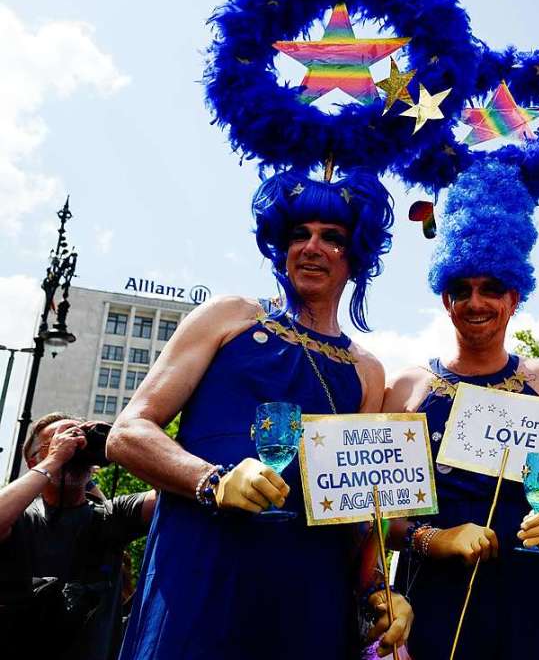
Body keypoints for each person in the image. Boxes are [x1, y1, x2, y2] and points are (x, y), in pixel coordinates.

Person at [107, 170, 412, 659]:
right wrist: (212, 480)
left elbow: (363, 508)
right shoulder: (230, 316)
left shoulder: (367, 371)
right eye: (299, 234)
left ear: (356, 254)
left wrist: (378, 590)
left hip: (310, 598)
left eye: (332, 238)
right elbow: (127, 433)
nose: (312, 247)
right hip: (201, 576)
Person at [383, 160, 539, 660]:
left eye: (492, 288)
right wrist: (437, 539)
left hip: (533, 597)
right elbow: (373, 514)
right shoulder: (406, 388)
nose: (477, 302)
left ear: (514, 296)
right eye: (462, 289)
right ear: (445, 297)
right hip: (434, 602)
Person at [0, 413, 156, 660]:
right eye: (57, 439)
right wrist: (54, 460)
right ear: (32, 462)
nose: (72, 444)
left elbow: (169, 494)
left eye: (78, 436)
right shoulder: (18, 518)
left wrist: (122, 444)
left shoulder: (111, 516)